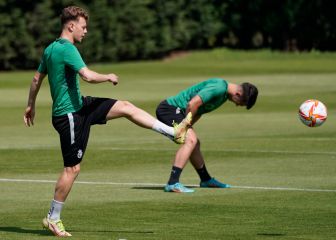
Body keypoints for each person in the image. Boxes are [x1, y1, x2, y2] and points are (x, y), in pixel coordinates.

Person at [23, 6, 191, 237]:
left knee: (124, 106)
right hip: (70, 116)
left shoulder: (50, 48)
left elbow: (35, 78)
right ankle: (53, 218)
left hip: (80, 106)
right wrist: (108, 76)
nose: (86, 31)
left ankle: (172, 132)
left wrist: (30, 104)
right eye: (83, 27)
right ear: (71, 26)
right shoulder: (67, 49)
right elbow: (88, 76)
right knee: (72, 169)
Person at [156, 78, 258, 193]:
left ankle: (206, 179)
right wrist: (186, 127)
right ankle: (172, 183)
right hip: (170, 109)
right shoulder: (219, 87)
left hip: (179, 113)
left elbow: (199, 110)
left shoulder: (223, 96)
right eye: (240, 103)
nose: (237, 105)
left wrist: (188, 129)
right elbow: (192, 104)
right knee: (191, 140)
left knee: (194, 143)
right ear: (238, 94)